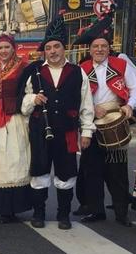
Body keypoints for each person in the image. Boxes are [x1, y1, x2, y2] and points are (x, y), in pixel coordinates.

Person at [21, 13, 95, 230]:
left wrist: (88, 132)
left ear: (64, 48)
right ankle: (39, 213)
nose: (52, 51)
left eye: (56, 46)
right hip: (40, 130)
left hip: (68, 131)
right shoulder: (35, 71)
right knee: (39, 172)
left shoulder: (77, 72)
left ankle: (64, 214)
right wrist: (32, 99)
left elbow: (86, 103)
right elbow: (23, 100)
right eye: (49, 47)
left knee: (67, 172)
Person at [72, 12, 136, 226]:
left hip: (115, 122)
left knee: (118, 173)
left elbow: (135, 87)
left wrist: (130, 105)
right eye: (96, 47)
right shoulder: (82, 69)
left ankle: (121, 212)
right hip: (92, 125)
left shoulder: (121, 65)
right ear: (90, 49)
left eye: (103, 46)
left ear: (108, 47)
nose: (100, 50)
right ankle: (96, 210)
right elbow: (76, 96)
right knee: (92, 171)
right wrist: (92, 109)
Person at [0, 35, 31, 223]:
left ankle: (15, 206)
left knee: (15, 158)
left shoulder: (24, 67)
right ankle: (2, 207)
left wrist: (28, 105)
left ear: (13, 48)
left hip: (15, 118)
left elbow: (29, 91)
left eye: (6, 47)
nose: (3, 51)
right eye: (0, 48)